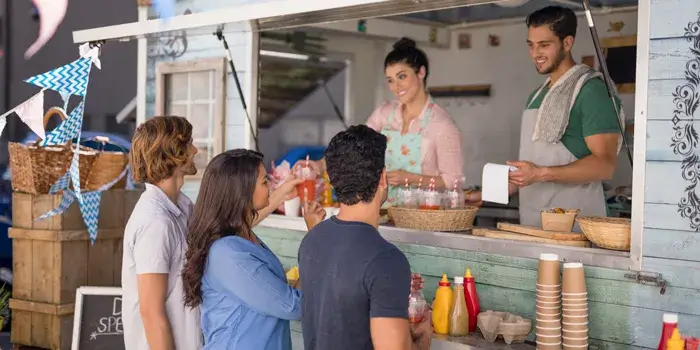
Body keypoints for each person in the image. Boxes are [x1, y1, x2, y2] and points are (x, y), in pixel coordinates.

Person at [467, 6, 623, 230]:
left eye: (544, 45)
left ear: (567, 43)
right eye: (531, 45)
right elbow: (530, 173)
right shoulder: (537, 95)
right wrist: (488, 194)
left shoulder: (591, 91)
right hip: (534, 223)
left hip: (576, 228)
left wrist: (540, 174)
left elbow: (604, 165)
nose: (535, 54)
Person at [298, 125, 432, 350]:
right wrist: (423, 336)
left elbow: (343, 325)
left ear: (332, 180)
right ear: (382, 179)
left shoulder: (312, 240)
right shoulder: (386, 259)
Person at [296, 37, 463, 206]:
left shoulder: (442, 125)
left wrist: (410, 178)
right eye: (390, 80)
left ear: (421, 72)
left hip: (421, 216)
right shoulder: (385, 113)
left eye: (402, 76)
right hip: (381, 212)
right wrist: (320, 165)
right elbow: (355, 146)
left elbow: (452, 180)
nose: (395, 86)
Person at [181, 149, 321, 350]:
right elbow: (294, 306)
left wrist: (283, 195)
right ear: (242, 191)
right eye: (265, 182)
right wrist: (315, 238)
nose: (271, 185)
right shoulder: (228, 254)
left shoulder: (242, 237)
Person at [122, 116, 203, 350]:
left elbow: (224, 226)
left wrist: (280, 194)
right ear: (173, 153)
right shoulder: (156, 222)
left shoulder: (182, 207)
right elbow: (151, 312)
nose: (195, 149)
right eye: (189, 144)